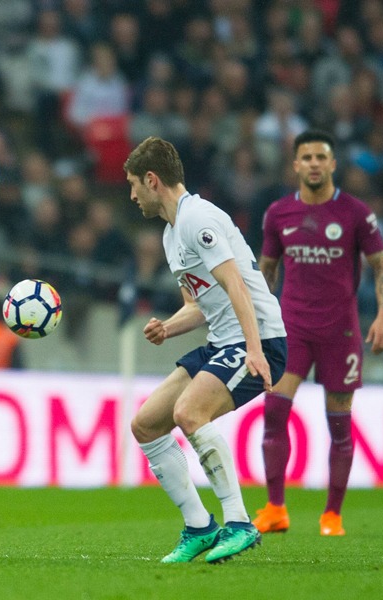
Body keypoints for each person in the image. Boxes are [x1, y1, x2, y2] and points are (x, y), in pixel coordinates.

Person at [123, 137, 287, 564]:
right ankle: (199, 526)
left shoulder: (199, 218)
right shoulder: (170, 234)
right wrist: (168, 327)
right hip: (221, 341)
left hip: (260, 339)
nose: (131, 195)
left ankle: (239, 523)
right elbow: (198, 304)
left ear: (152, 179)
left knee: (189, 413)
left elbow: (236, 285)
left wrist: (254, 350)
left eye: (134, 185)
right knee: (145, 424)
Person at [253, 129, 383, 536]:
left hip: (340, 331)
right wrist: (259, 322)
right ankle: (276, 508)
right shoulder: (278, 213)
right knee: (275, 411)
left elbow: (382, 266)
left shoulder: (355, 213)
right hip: (291, 326)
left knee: (339, 423)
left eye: (321, 157)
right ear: (295, 164)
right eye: (307, 157)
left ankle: (332, 515)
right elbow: (266, 270)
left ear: (332, 164)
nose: (314, 163)